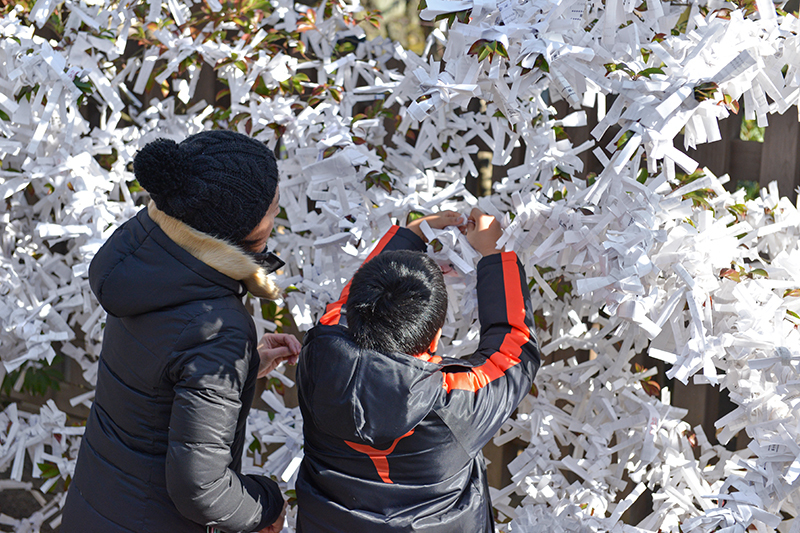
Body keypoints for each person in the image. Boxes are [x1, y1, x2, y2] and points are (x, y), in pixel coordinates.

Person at [61, 130, 299, 533]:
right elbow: (199, 488)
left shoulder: (145, 261)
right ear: (240, 226)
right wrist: (268, 504)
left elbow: (155, 370)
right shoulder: (218, 325)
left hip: (96, 504)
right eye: (272, 207)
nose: (278, 211)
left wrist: (239, 367)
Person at [295, 208, 541, 532]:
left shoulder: (317, 359)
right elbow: (515, 347)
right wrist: (496, 254)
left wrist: (411, 235)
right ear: (437, 335)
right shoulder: (455, 403)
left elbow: (342, 313)